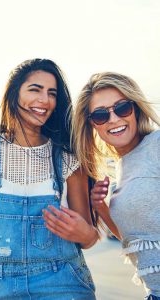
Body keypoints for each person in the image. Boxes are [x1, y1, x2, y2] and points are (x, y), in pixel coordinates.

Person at [0, 58, 99, 300]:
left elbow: (90, 237)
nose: (44, 100)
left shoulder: (69, 160)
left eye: (52, 93)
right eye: (35, 89)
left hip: (62, 284)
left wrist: (84, 233)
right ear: (14, 94)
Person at [72, 72, 160, 300]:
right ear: (93, 124)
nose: (113, 119)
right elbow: (132, 239)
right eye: (101, 115)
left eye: (121, 108)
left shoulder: (156, 145)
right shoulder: (119, 170)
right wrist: (101, 206)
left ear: (136, 108)